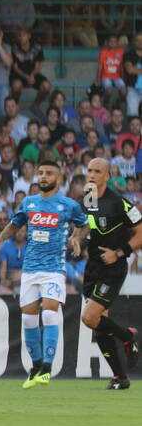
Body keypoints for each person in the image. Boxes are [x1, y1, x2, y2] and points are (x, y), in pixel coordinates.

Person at [0, 152, 88, 388]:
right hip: (29, 269)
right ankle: (35, 366)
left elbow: (84, 226)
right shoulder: (29, 202)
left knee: (50, 314)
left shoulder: (68, 204)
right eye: (41, 173)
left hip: (53, 268)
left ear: (59, 178)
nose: (43, 176)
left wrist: (76, 238)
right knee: (29, 319)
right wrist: (1, 237)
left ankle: (47, 369)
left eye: (49, 173)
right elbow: (16, 223)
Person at [79, 158, 142, 389]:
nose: (92, 175)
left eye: (97, 171)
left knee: (89, 318)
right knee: (98, 323)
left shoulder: (120, 204)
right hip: (92, 268)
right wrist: (76, 240)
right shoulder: (88, 197)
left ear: (107, 176)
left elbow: (140, 232)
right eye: (89, 170)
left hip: (112, 268)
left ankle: (128, 336)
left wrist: (119, 253)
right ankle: (120, 378)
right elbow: (83, 227)